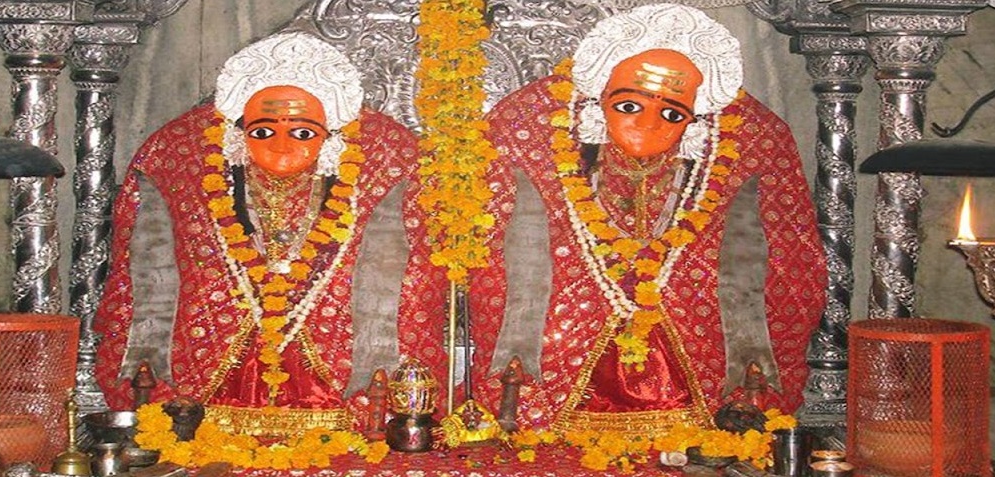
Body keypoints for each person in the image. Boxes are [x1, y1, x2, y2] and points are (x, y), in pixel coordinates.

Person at [481, 4, 826, 436]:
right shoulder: (542, 138)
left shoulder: (731, 154)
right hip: (570, 355)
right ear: (598, 100)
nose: (648, 124)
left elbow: (787, 266)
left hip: (689, 384)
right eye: (629, 104)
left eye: (672, 114)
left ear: (695, 119)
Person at [94, 32, 421, 437]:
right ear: (238, 132)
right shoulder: (195, 174)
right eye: (263, 132)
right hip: (213, 402)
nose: (281, 147)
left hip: (332, 394)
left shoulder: (369, 178)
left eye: (302, 133)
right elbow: (153, 276)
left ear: (331, 137)